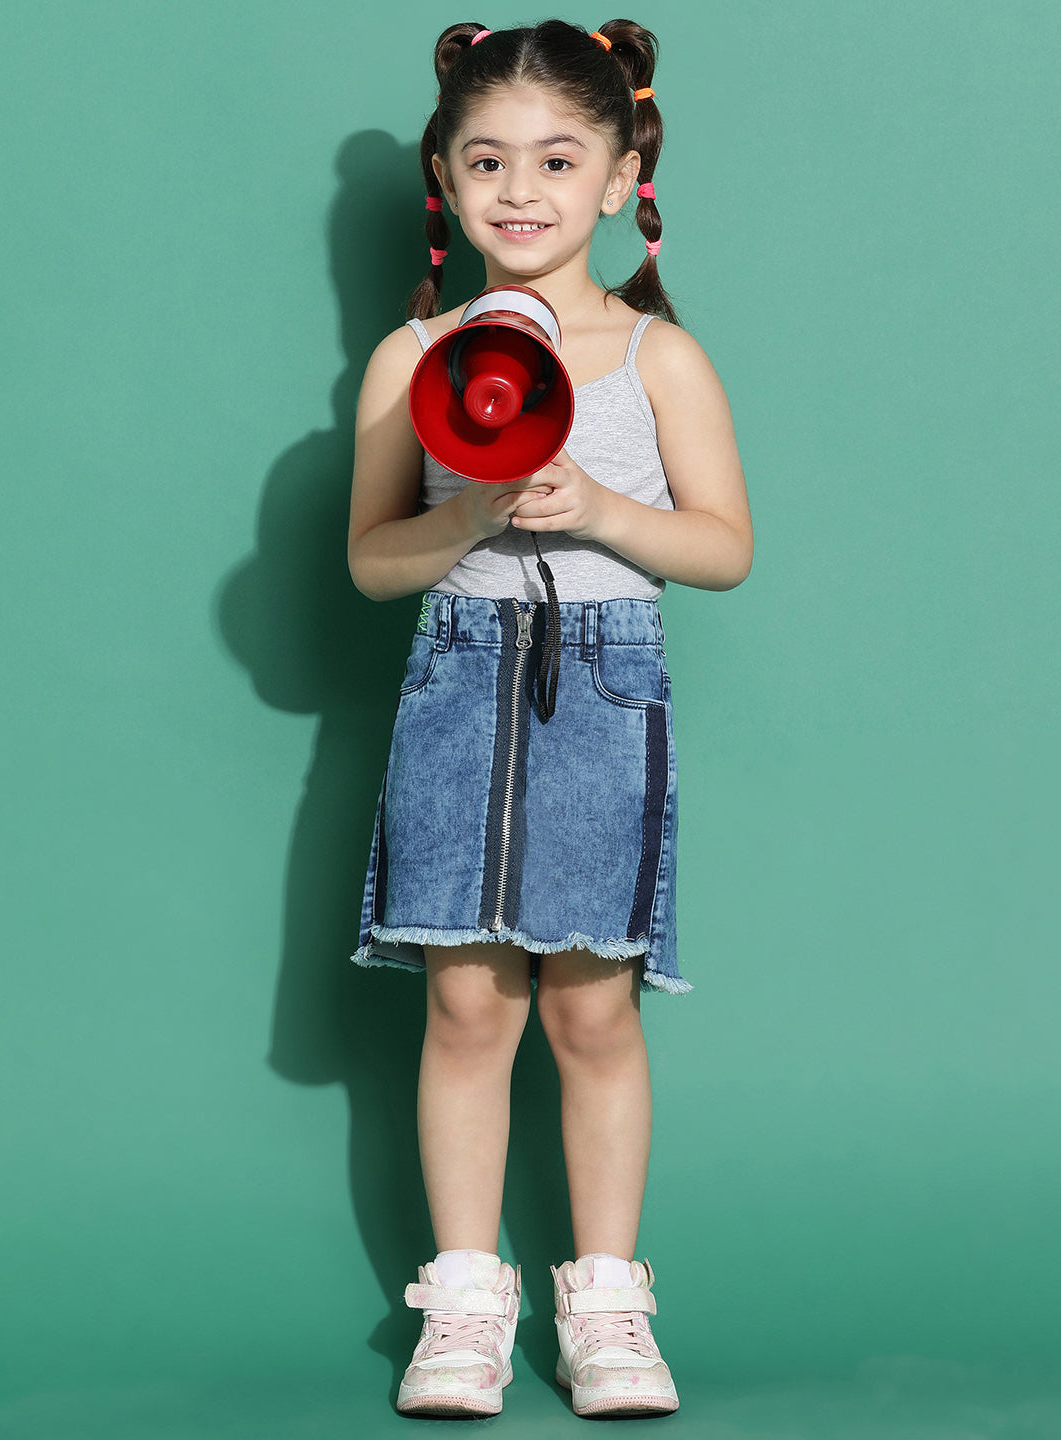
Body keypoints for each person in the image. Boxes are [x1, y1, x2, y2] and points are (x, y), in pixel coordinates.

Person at [347, 18, 752, 1419]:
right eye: (487, 160)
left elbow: (724, 546)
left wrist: (606, 510)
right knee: (467, 1003)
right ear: (444, 178)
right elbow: (371, 560)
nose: (520, 189)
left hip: (606, 679)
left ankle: (607, 1305)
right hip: (459, 675)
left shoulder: (657, 356)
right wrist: (463, 517)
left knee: (591, 1005)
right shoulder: (413, 357)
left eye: (559, 159)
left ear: (622, 172)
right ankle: (464, 1305)